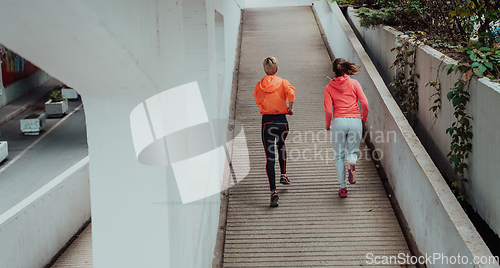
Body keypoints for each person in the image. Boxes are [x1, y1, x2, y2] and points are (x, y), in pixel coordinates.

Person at [324, 58, 369, 198]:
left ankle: (343, 188)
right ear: (346, 70)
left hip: (338, 121)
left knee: (338, 155)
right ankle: (352, 162)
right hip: (355, 120)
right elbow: (365, 103)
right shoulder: (354, 83)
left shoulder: (329, 88)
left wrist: (327, 124)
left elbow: (328, 110)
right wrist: (363, 119)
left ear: (333, 71)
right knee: (352, 152)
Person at [254, 56, 295, 207]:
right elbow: (291, 94)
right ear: (276, 69)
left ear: (265, 70)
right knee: (281, 145)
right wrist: (290, 109)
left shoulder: (259, 85)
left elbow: (258, 101)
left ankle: (273, 192)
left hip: (267, 123)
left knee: (269, 157)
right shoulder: (284, 82)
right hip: (282, 122)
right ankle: (283, 174)